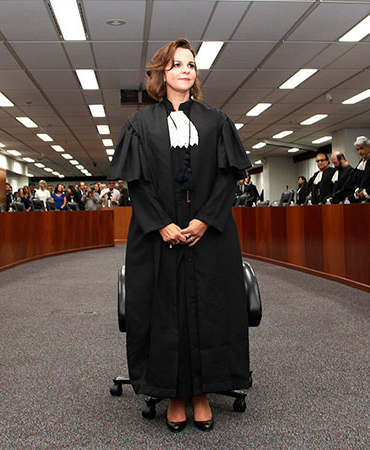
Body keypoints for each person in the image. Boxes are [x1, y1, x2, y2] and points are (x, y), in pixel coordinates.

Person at [108, 38, 251, 433]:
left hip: (210, 232)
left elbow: (228, 179)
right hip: (157, 233)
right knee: (164, 310)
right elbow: (136, 184)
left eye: (190, 64)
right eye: (176, 64)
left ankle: (203, 392)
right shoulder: (140, 124)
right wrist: (162, 224)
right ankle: (172, 393)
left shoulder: (216, 120)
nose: (185, 70)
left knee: (208, 307)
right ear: (162, 73)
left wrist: (204, 220)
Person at [351, 136, 370, 202]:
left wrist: (365, 192)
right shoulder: (361, 162)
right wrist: (357, 189)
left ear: (369, 147)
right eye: (357, 149)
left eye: (361, 148)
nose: (359, 152)